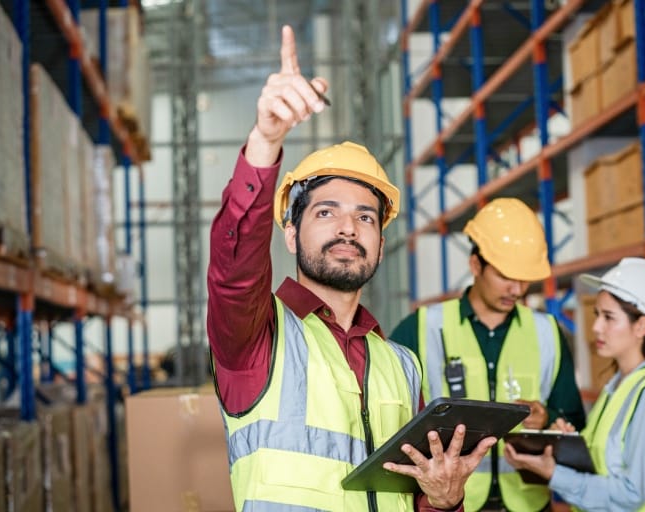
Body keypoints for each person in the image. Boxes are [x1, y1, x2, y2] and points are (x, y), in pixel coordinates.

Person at [206, 24, 497, 512]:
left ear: (381, 246)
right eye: (326, 212)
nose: (348, 227)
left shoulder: (402, 367)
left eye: (366, 217)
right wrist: (265, 142)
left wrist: (446, 501)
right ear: (291, 233)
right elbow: (232, 273)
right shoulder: (258, 337)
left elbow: (418, 495)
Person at [390, 198, 587, 512]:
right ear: (475, 265)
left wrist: (547, 418)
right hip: (450, 502)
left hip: (528, 504)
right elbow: (389, 418)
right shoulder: (422, 327)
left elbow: (574, 421)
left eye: (524, 279)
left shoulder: (547, 331)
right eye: (506, 276)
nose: (517, 289)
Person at [504, 257, 645, 510]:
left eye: (609, 317)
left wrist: (554, 473)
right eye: (597, 315)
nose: (597, 327)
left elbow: (631, 494)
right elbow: (603, 468)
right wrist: (567, 449)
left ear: (641, 326)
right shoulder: (617, 388)